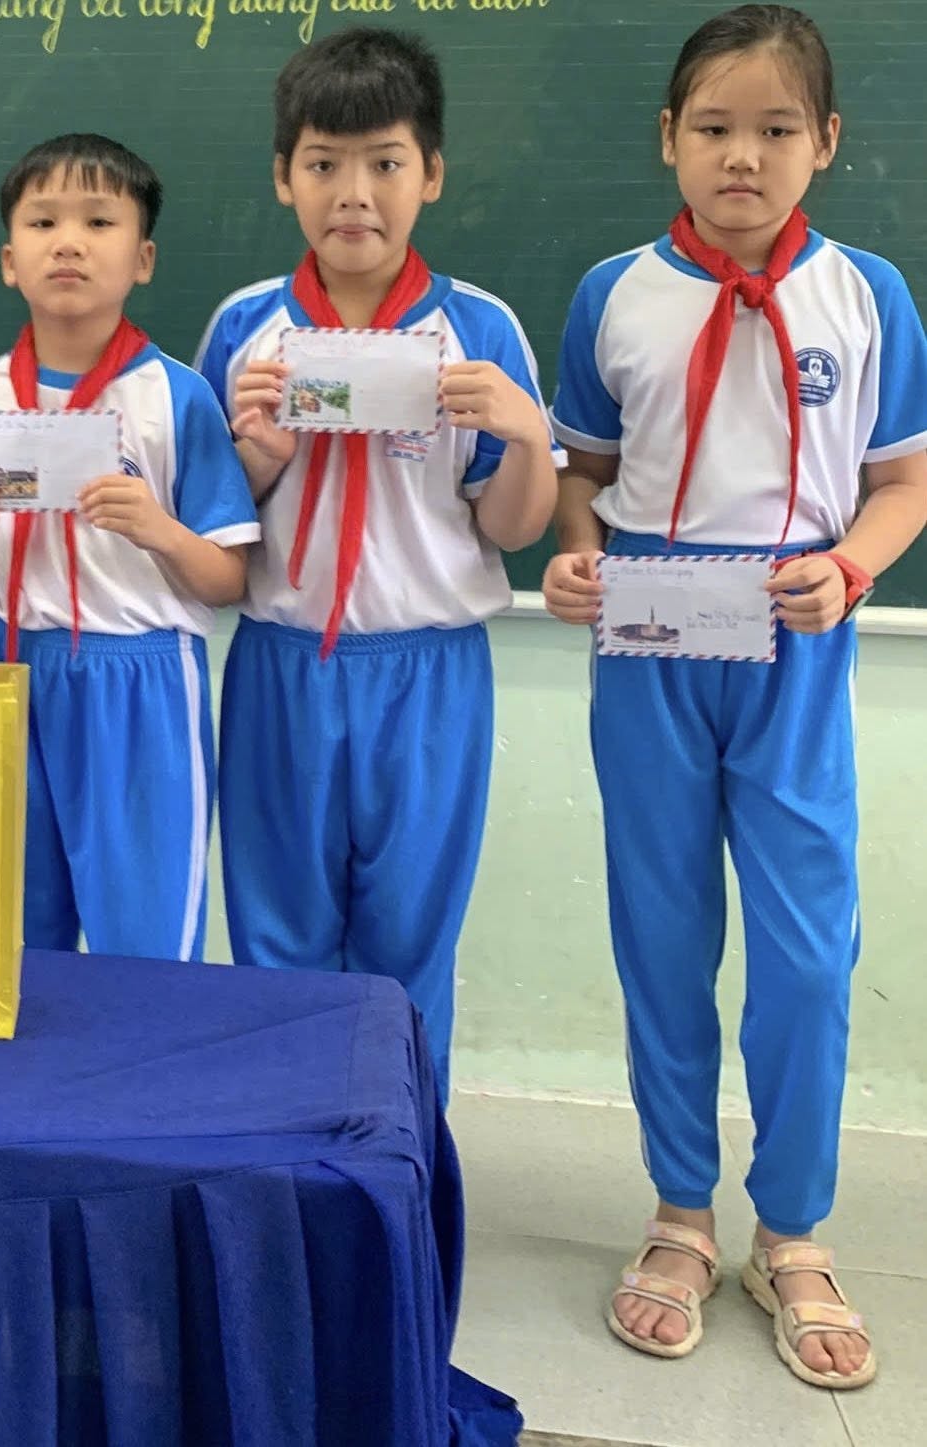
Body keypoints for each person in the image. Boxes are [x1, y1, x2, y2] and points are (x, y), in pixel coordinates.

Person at [543, 4, 927, 1389]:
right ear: (669, 138)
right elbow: (584, 474)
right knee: (662, 933)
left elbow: (904, 483)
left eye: (775, 129)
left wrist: (852, 567)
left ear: (826, 142)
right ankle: (680, 1213)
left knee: (808, 949)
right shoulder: (612, 293)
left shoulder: (869, 295)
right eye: (713, 127)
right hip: (651, 632)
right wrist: (575, 555)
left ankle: (796, 1228)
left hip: (794, 633)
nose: (742, 156)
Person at [193, 27, 558, 1097]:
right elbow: (215, 524)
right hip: (282, 665)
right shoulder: (244, 330)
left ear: (431, 173)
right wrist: (257, 452)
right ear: (284, 176)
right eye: (324, 164)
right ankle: (283, 1161)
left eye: (385, 163)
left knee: (408, 944)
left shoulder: (479, 328)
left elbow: (512, 528)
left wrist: (525, 435)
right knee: (278, 942)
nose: (354, 193)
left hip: (429, 674)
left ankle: (396, 1167)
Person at [0, 133, 259, 962]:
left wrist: (158, 528)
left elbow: (227, 577)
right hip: (9, 667)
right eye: (43, 222)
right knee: (10, 943)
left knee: (144, 948)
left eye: (99, 221)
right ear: (9, 261)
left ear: (143, 258)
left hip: (140, 677)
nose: (69, 243)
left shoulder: (177, 397)